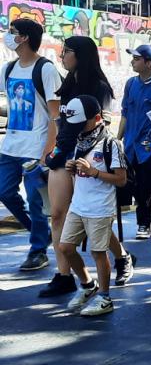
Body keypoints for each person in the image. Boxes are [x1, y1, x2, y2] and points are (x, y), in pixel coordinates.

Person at [41, 35, 135, 297]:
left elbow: (100, 127)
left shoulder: (100, 87)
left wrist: (93, 163)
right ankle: (64, 275)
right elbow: (60, 121)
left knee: (93, 216)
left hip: (90, 156)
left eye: (66, 51)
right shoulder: (67, 82)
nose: (62, 56)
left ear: (80, 54)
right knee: (59, 214)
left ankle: (122, 257)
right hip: (64, 153)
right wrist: (53, 152)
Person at [59, 95, 128, 316]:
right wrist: (72, 169)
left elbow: (121, 179)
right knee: (66, 248)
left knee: (99, 253)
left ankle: (105, 298)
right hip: (78, 205)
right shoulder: (78, 140)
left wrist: (94, 172)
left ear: (97, 118)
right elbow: (79, 175)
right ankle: (88, 285)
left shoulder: (111, 144)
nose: (78, 128)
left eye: (82, 123)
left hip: (100, 207)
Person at [0, 19, 60, 272]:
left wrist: (48, 150)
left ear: (24, 38)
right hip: (10, 146)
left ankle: (38, 251)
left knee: (36, 202)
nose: (8, 36)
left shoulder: (45, 69)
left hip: (36, 148)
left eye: (12, 32)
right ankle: (41, 232)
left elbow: (56, 116)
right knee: (4, 192)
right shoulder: (8, 68)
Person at [118, 45, 151, 240]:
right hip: (130, 144)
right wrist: (117, 139)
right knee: (129, 183)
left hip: (150, 145)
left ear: (148, 63)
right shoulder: (131, 84)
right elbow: (125, 113)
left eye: (136, 58)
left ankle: (144, 222)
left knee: (147, 184)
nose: (132, 61)